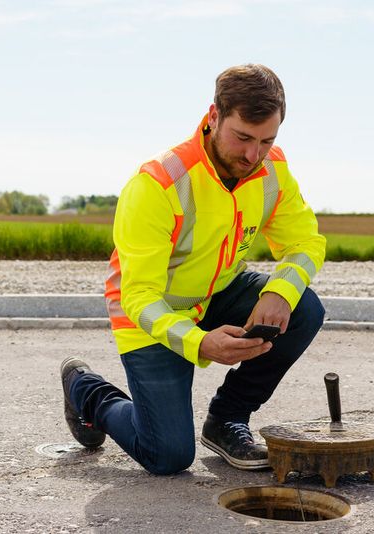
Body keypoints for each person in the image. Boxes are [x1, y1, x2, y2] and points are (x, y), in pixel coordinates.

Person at [60, 64, 326, 475]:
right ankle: (87, 391)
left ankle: (227, 419)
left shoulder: (272, 169)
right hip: (152, 314)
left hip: (217, 293)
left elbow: (306, 242)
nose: (254, 156)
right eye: (243, 138)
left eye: (266, 140)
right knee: (167, 457)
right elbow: (138, 297)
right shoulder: (158, 183)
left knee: (304, 306)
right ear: (214, 116)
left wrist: (279, 292)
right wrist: (199, 342)